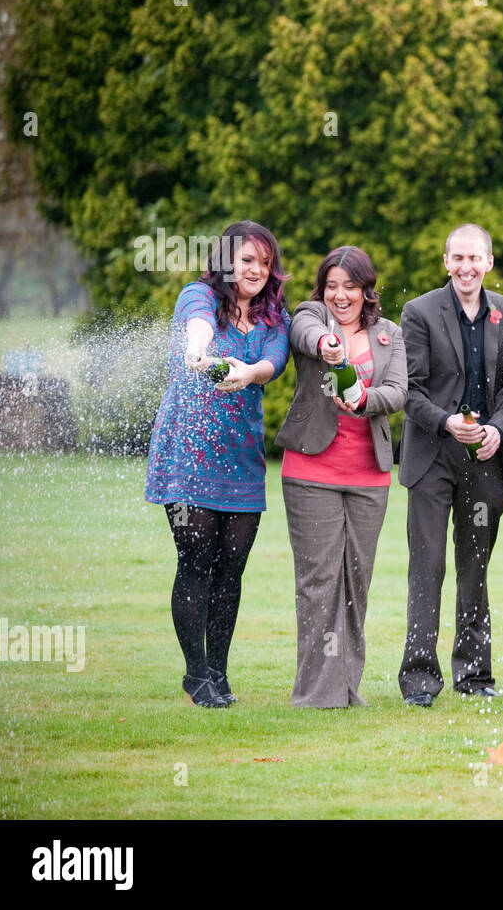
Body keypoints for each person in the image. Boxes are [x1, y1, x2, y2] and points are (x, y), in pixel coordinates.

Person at [144, 220, 290, 708]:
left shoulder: (273, 317)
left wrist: (248, 372)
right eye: (248, 260)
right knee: (196, 562)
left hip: (242, 459)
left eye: (265, 263)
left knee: (232, 569)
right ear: (227, 259)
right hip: (188, 455)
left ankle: (219, 674)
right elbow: (198, 326)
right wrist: (196, 352)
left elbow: (274, 361)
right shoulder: (198, 296)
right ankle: (195, 675)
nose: (256, 271)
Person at [397, 224, 503, 707]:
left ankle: (474, 676)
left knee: (476, 568)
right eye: (458, 258)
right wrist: (448, 422)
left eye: (475, 258)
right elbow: (409, 388)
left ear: (489, 262)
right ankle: (419, 681)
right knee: (426, 567)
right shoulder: (419, 311)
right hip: (432, 454)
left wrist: (498, 429)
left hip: (485, 456)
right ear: (446, 261)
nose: (466, 266)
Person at [276, 246, 407, 708]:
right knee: (318, 582)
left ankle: (348, 687)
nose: (340, 295)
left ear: (366, 289)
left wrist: (364, 399)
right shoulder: (311, 315)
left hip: (370, 476)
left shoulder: (389, 334)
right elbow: (304, 330)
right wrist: (326, 345)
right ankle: (316, 693)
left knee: (356, 582)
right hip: (312, 472)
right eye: (332, 285)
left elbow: (397, 392)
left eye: (350, 286)